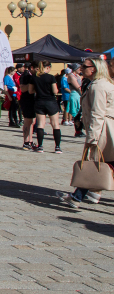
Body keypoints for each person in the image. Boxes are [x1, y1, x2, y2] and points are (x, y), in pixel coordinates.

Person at [58, 58, 111, 207]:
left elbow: (98, 113)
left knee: (94, 162)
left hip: (103, 130)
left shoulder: (98, 86)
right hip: (104, 129)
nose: (81, 68)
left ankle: (80, 196)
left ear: (93, 69)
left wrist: (92, 136)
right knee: (98, 162)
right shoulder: (98, 84)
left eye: (84, 66)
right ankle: (85, 194)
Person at [30, 61, 62, 154]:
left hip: (39, 101)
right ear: (48, 67)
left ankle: (40, 146)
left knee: (40, 124)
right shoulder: (51, 77)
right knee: (55, 124)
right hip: (50, 102)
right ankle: (57, 147)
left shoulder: (34, 78)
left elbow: (30, 91)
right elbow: (55, 91)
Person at [19, 63, 38, 150]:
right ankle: (26, 141)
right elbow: (22, 88)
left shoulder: (35, 76)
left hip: (34, 100)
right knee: (27, 120)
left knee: (32, 121)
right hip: (27, 100)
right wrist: (33, 85)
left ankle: (30, 140)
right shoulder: (25, 75)